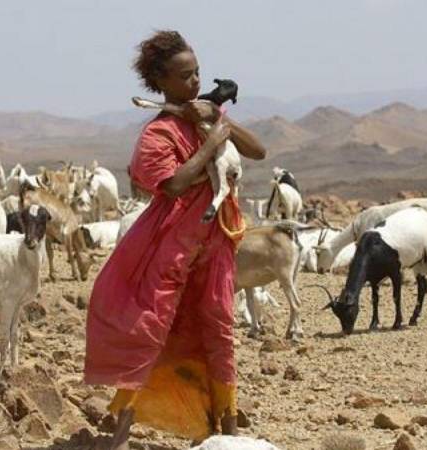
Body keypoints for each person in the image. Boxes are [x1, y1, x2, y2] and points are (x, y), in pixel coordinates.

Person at [84, 30, 267, 449]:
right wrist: (211, 145)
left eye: (197, 73)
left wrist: (222, 122)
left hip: (216, 243)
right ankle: (121, 423)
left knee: (219, 328)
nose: (195, 83)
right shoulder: (158, 135)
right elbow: (172, 185)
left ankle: (227, 430)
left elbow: (258, 152)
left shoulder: (207, 118)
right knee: (154, 328)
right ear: (161, 82)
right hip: (170, 247)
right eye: (184, 77)